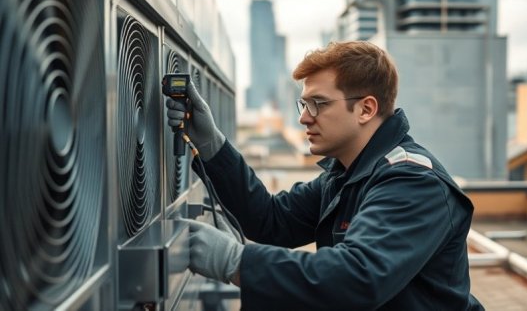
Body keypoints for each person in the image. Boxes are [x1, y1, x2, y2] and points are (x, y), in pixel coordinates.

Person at [167, 41, 484, 310]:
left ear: (365, 109)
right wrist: (211, 145)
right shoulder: (347, 175)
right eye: (303, 104)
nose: (304, 117)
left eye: (318, 104)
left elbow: (358, 278)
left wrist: (234, 261)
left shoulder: (412, 181)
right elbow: (271, 219)